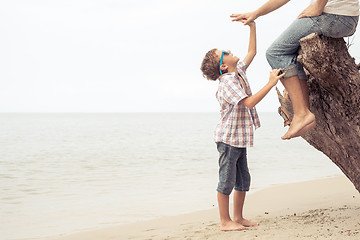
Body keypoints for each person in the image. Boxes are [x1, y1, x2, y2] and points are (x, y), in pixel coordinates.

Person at [230, 0, 359, 140]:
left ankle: (301, 114)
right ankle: (304, 114)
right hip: (344, 18)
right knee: (290, 55)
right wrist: (257, 13)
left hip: (334, 17)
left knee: (276, 53)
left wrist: (317, 7)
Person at [200, 21, 284, 231]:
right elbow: (249, 102)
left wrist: (253, 26)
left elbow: (252, 51)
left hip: (238, 139)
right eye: (225, 53)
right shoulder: (227, 83)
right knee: (226, 180)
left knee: (243, 179)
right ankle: (224, 221)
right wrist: (271, 83)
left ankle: (237, 217)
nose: (230, 51)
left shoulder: (238, 71)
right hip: (228, 140)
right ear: (223, 66)